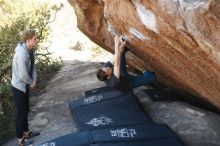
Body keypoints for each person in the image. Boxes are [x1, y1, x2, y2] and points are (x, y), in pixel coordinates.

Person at [11, 29, 40, 146]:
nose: (37, 40)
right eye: (35, 39)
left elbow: (33, 68)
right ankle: (20, 139)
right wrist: (30, 82)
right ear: (28, 40)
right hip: (18, 87)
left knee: (26, 110)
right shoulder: (21, 54)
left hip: (25, 85)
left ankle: (26, 133)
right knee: (21, 113)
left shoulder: (30, 50)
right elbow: (23, 75)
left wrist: (34, 80)